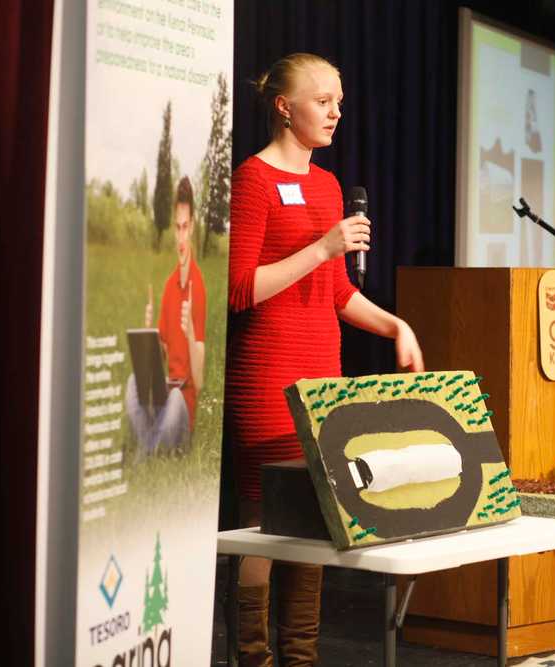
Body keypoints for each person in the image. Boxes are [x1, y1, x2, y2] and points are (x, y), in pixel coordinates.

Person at [227, 52, 424, 666]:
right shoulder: (253, 180)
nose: (336, 112)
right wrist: (323, 246)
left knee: (314, 523)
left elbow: (338, 293)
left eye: (339, 101)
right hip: (267, 379)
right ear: (284, 108)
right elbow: (239, 289)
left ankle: (302, 659)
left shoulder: (329, 185)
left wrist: (397, 324)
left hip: (322, 381)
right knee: (266, 524)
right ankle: (255, 658)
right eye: (323, 101)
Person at [126, 176, 207, 455]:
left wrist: (191, 334)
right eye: (177, 227)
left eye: (186, 227)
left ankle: (146, 451)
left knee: (174, 399)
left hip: (181, 404)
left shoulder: (199, 287)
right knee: (132, 383)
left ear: (193, 227)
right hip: (163, 394)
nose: (181, 237)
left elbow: (200, 380)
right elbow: (159, 355)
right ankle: (154, 445)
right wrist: (148, 330)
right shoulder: (169, 285)